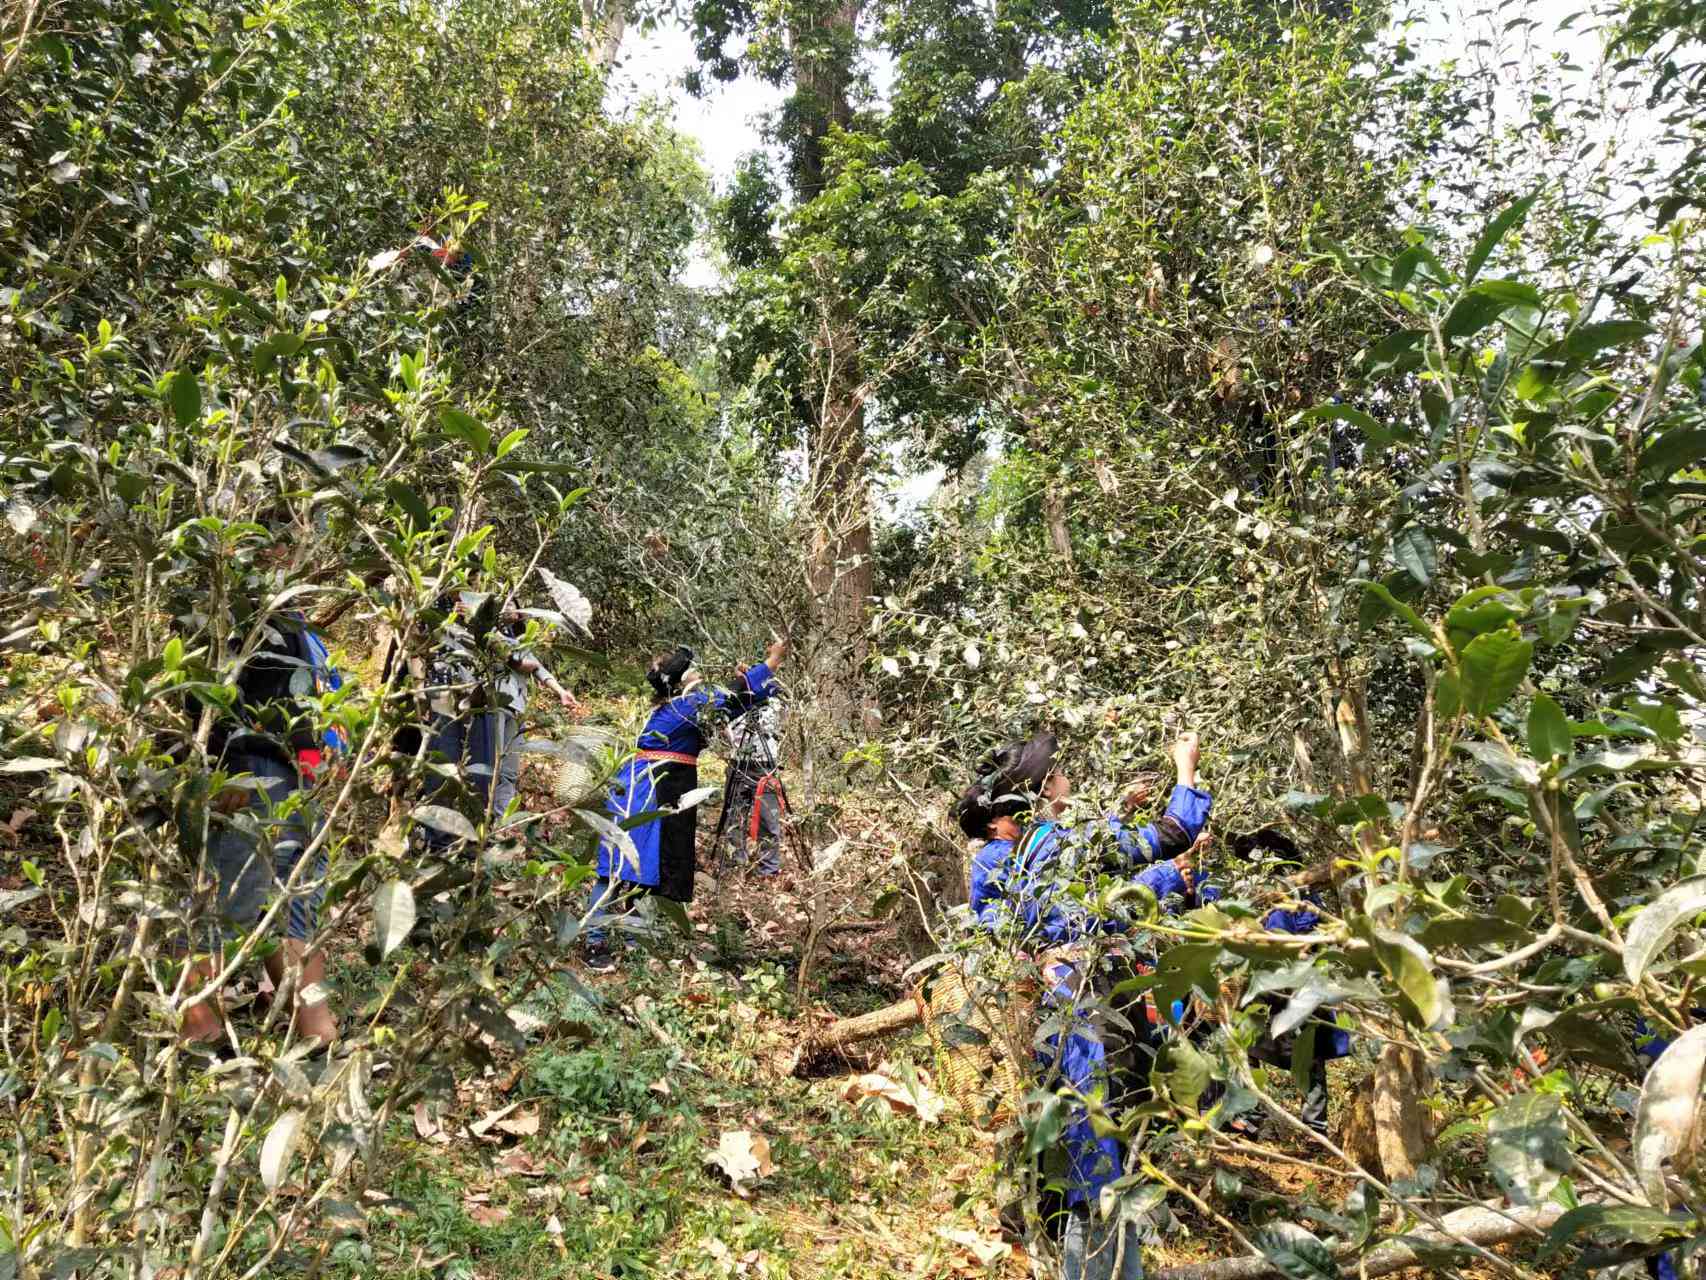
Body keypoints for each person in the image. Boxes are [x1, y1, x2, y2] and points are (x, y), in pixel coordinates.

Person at [955, 730, 1212, 1280]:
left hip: (1042, 1010)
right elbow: (1172, 833)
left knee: (1064, 1134)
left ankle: (1047, 1241)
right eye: (1059, 775)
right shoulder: (1056, 842)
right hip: (1087, 1007)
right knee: (1095, 1142)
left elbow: (1056, 903)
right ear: (1038, 794)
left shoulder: (998, 859)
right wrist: (1184, 770)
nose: (1068, 780)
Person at [181, 615, 343, 1049]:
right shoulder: (245, 599)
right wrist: (222, 765)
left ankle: (314, 1024)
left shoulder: (295, 619)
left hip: (295, 775)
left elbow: (307, 696)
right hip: (253, 769)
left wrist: (319, 763)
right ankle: (199, 1027)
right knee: (224, 897)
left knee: (294, 897)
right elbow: (210, 686)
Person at [585, 637, 788, 969]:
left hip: (660, 787)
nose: (698, 675)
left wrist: (758, 680)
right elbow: (732, 695)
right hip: (644, 791)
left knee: (647, 870)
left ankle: (635, 941)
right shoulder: (685, 707)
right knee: (618, 868)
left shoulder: (684, 706)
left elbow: (735, 701)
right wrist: (771, 662)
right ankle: (595, 943)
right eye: (692, 672)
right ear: (681, 682)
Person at [420, 590, 578, 851]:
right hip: (483, 703)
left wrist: (561, 691)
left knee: (504, 771)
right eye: (506, 605)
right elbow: (515, 661)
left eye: (515, 605)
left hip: (511, 708)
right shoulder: (482, 633)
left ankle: (495, 827)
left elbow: (535, 667)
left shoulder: (515, 640)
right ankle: (455, 836)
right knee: (476, 767)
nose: (511, 610)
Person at [721, 697, 786, 875]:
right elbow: (724, 727)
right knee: (734, 815)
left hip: (765, 765)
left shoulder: (774, 701)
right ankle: (737, 861)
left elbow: (781, 727)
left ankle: (769, 867)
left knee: (768, 818)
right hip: (738, 762)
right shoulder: (734, 699)